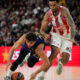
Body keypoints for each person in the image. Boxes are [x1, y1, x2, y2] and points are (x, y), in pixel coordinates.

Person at [38, 0, 79, 80]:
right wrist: (45, 34)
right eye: (50, 5)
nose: (52, 7)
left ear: (58, 4)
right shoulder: (48, 14)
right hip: (56, 34)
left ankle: (60, 61)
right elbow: (41, 30)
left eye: (54, 5)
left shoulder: (64, 11)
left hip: (67, 35)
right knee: (53, 53)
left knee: (65, 61)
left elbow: (72, 25)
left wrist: (72, 37)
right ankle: (42, 74)